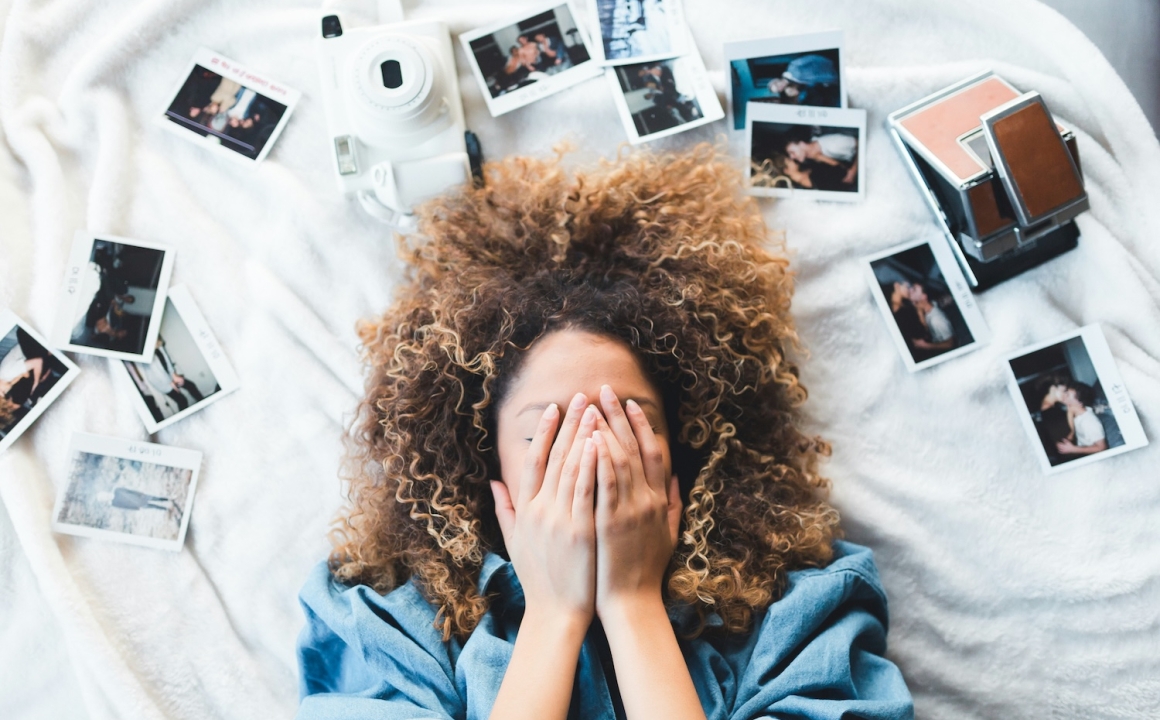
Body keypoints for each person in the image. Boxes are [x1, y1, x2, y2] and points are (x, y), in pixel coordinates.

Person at [295, 146, 913, 719]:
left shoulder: (805, 606)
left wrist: (634, 603)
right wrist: (552, 615)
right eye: (549, 431)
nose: (592, 455)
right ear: (486, 456)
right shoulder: (381, 615)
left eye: (628, 423)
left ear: (685, 443)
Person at [781, 125, 858, 191]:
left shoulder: (834, 145)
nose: (791, 157)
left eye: (792, 152)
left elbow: (860, 143)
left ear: (802, 144)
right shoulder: (809, 158)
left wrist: (854, 170)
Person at [765, 54, 840, 107]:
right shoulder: (794, 85)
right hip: (830, 78)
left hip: (831, 67)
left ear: (777, 80)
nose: (780, 87)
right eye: (778, 90)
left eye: (777, 85)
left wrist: (829, 62)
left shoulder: (793, 66)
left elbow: (812, 58)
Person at [96, 487, 177, 513]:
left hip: (141, 497)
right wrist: (135, 508)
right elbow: (125, 507)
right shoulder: (114, 503)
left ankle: (169, 499)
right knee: (154, 506)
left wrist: (140, 493)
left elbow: (129, 490)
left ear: (105, 492)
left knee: (156, 498)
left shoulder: (117, 490)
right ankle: (168, 509)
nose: (106, 497)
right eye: (104, 498)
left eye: (104, 495)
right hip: (138, 504)